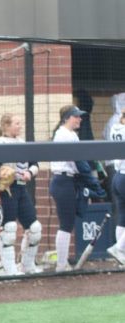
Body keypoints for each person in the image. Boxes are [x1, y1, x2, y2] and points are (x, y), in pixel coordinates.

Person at [48, 105, 103, 272]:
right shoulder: (63, 134)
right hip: (62, 180)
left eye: (79, 116)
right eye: (76, 116)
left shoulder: (72, 134)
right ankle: (61, 265)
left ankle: (62, 263)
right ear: (66, 118)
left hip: (69, 181)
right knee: (66, 223)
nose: (79, 119)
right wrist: (94, 184)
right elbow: (79, 164)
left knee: (68, 222)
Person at [0, 114, 42, 275]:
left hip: (21, 188)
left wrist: (29, 173)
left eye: (20, 123)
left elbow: (35, 164)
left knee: (34, 228)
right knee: (9, 229)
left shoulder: (22, 143)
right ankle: (9, 269)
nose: (20, 126)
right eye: (16, 123)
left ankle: (27, 265)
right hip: (6, 191)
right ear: (6, 126)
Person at [106, 111, 125, 266]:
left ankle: (121, 257)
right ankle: (119, 248)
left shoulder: (116, 127)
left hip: (117, 176)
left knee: (123, 217)